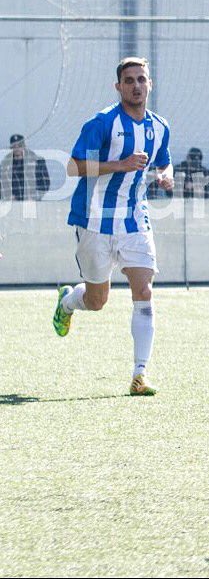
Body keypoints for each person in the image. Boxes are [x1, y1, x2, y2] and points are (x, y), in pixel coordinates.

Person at [51, 57, 173, 396]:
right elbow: (74, 167)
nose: (136, 85)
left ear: (150, 84)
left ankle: (140, 374)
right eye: (129, 80)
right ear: (118, 87)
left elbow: (165, 162)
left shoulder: (159, 126)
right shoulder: (102, 123)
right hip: (93, 220)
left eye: (141, 79)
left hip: (135, 219)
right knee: (97, 300)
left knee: (144, 291)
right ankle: (67, 302)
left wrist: (166, 176)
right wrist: (120, 164)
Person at [0, 133, 50, 200]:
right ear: (11, 147)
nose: (17, 148)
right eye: (14, 146)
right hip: (12, 203)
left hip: (32, 203)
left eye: (19, 145)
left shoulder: (37, 161)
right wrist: (8, 196)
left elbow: (45, 183)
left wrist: (33, 197)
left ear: (24, 146)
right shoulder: (4, 164)